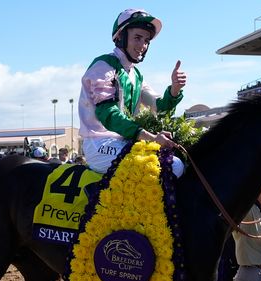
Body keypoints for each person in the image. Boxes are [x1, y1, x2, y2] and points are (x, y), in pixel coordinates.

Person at [79, 8, 186, 177]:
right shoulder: (104, 65)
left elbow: (159, 107)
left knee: (176, 161)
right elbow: (107, 113)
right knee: (172, 166)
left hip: (123, 141)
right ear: (121, 36)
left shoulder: (135, 75)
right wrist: (150, 137)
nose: (143, 45)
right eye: (137, 38)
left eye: (146, 40)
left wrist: (174, 90)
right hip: (99, 144)